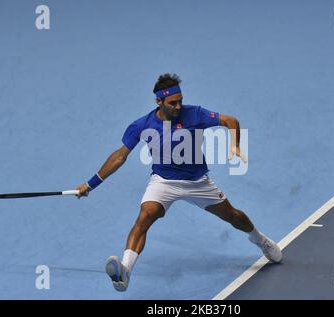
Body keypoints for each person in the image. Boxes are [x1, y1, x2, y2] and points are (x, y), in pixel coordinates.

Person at [75, 74, 282, 292]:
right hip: (164, 182)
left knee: (232, 216)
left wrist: (234, 145)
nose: (178, 106)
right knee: (145, 216)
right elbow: (119, 156)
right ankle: (125, 270)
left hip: (197, 182)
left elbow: (230, 121)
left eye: (180, 100)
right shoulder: (141, 125)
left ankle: (260, 240)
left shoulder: (195, 113)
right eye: (173, 103)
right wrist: (90, 185)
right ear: (159, 102)